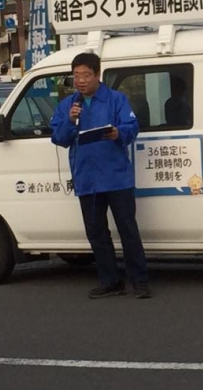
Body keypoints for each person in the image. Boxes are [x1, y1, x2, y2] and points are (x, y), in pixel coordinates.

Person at [51, 52, 151, 300]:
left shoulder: (116, 99)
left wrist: (118, 133)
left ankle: (139, 281)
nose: (80, 80)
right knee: (96, 233)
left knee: (128, 230)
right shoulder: (68, 105)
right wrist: (70, 120)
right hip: (87, 178)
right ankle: (110, 281)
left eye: (86, 75)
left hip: (116, 177)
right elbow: (59, 138)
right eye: (76, 76)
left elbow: (132, 127)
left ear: (97, 75)